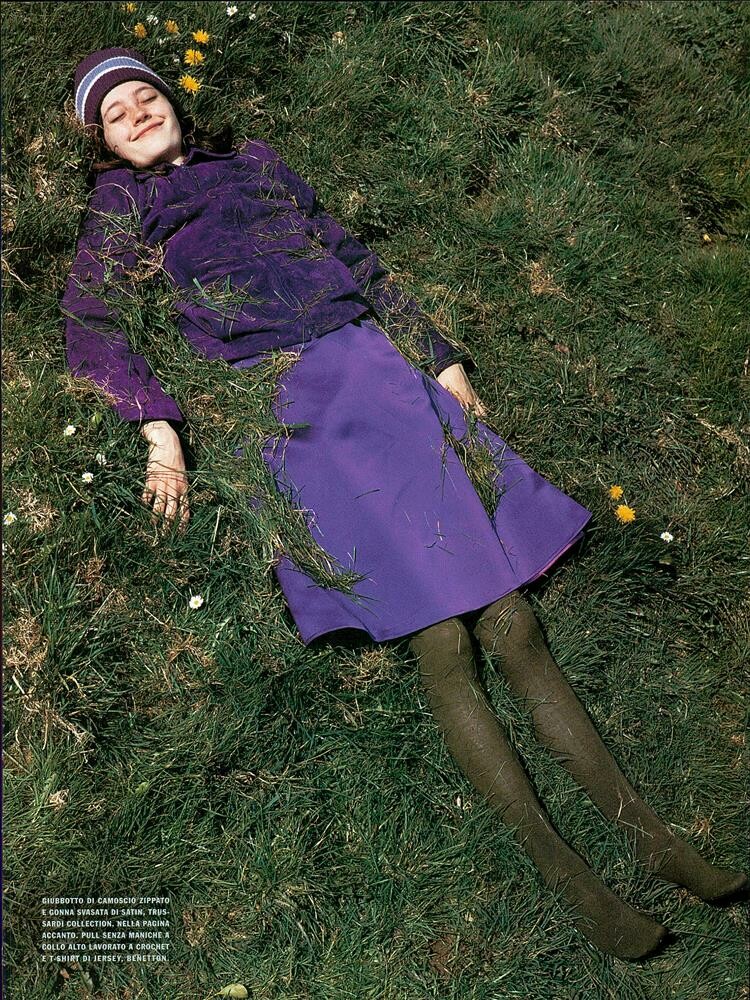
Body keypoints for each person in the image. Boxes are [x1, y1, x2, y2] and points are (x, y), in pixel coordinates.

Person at [63, 48, 747, 961]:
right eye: (116, 114)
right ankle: (578, 890)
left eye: (147, 94)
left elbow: (355, 258)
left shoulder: (255, 163)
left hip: (375, 375)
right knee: (442, 641)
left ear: (177, 103)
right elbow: (93, 323)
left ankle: (658, 846)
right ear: (103, 146)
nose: (139, 112)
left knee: (514, 625)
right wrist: (160, 432)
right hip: (284, 408)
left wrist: (440, 356)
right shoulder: (121, 206)